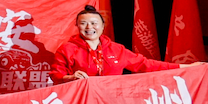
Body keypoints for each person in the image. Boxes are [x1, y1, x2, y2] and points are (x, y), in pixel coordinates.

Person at [52, 7, 185, 80]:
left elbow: (145, 64)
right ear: (77, 26)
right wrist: (70, 78)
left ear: (102, 26)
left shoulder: (116, 49)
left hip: (112, 99)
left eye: (94, 23)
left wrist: (184, 67)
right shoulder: (67, 49)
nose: (89, 27)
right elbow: (55, 75)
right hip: (82, 100)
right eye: (83, 23)